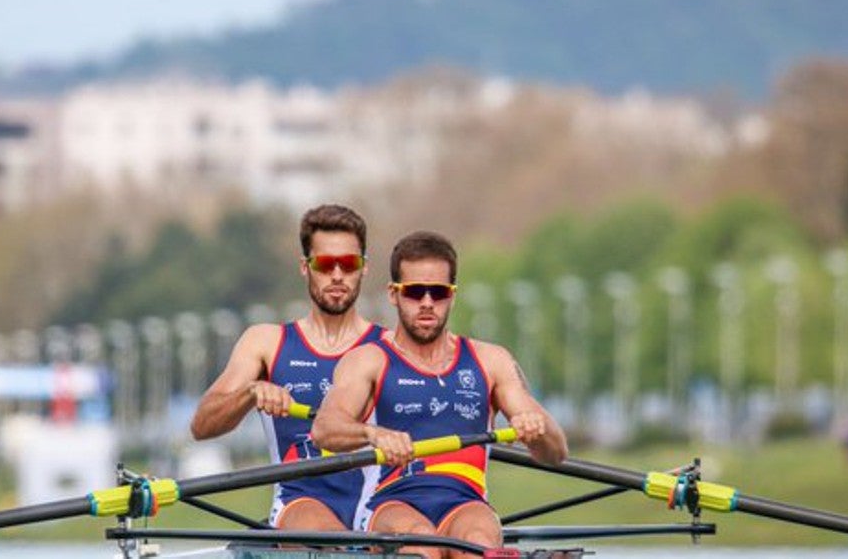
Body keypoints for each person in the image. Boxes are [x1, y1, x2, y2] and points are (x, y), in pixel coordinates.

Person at [312, 230, 567, 557]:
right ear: (394, 294)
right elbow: (324, 429)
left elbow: (555, 453)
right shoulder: (369, 360)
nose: (427, 303)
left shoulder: (491, 361)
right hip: (390, 501)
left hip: (466, 502)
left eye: (439, 292)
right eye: (415, 292)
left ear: (453, 295)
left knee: (478, 543)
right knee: (423, 545)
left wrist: (537, 432)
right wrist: (372, 434)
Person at [190, 204, 385, 530]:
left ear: (363, 268)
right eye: (325, 264)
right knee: (329, 539)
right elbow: (202, 425)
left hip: (379, 501)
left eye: (348, 264)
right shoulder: (266, 342)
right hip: (301, 500)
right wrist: (250, 394)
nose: (337, 275)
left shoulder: (390, 347)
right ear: (304, 267)